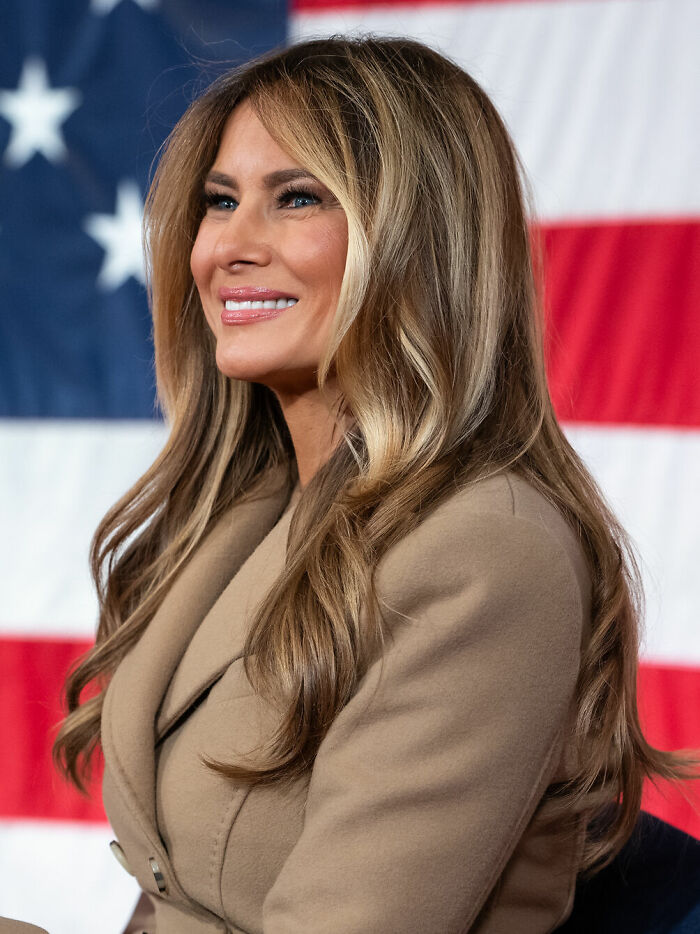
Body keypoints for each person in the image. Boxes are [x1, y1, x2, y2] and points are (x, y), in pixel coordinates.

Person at [42, 35, 693, 934]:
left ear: (419, 240)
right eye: (219, 202)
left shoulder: (482, 551)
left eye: (296, 198)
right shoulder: (250, 514)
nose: (228, 246)